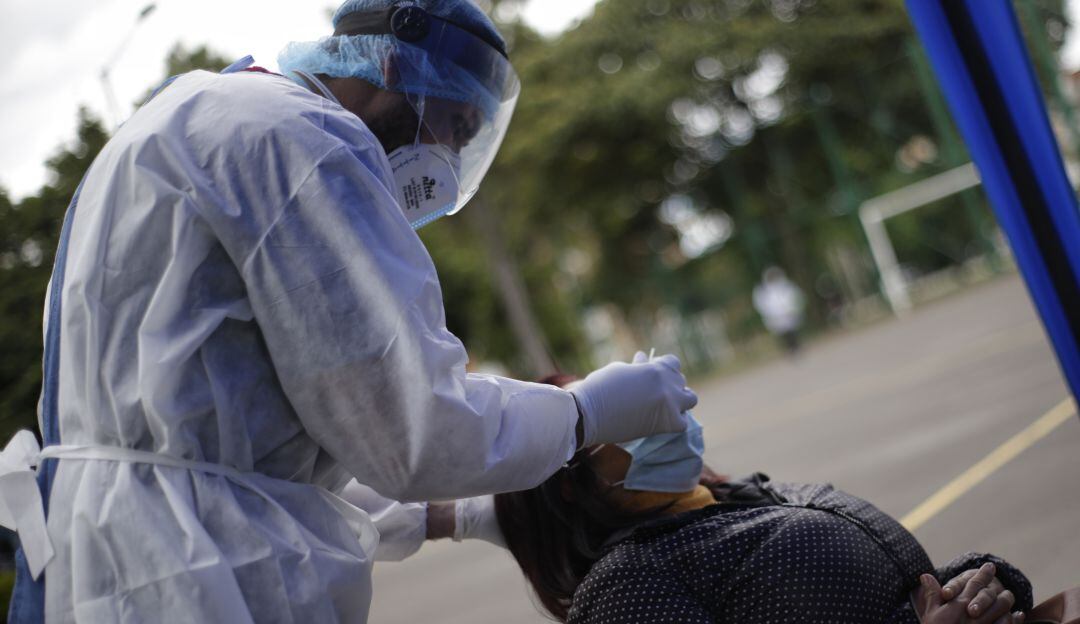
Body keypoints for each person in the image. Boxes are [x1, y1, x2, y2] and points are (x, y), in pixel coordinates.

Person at [0, 2, 698, 622]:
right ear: (392, 63)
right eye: (453, 125)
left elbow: (257, 456)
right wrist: (588, 413)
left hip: (119, 552)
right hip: (197, 575)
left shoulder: (201, 114)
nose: (447, 157)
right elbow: (414, 431)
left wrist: (460, 515)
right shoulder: (307, 145)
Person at [491, 375, 1033, 624]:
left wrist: (980, 584)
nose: (651, 416)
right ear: (571, 480)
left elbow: (899, 589)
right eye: (618, 418)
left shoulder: (736, 494)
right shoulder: (624, 588)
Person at [752, 266, 806, 354]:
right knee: (784, 333)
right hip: (777, 316)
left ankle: (795, 347)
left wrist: (792, 308)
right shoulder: (765, 291)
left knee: (792, 331)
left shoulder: (786, 286)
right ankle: (790, 348)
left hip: (789, 313)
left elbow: (793, 297)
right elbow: (764, 305)